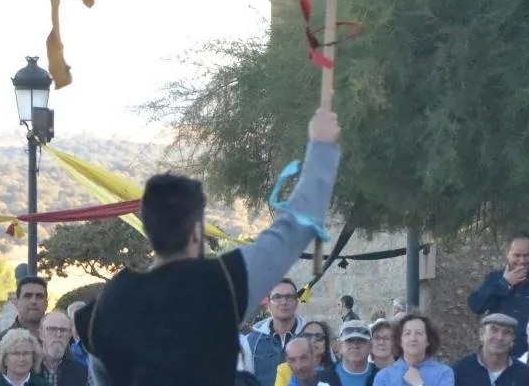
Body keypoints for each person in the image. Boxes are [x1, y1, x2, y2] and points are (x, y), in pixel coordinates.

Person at [75, 105, 342, 386]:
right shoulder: (222, 282)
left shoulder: (110, 303)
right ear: (196, 232)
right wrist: (322, 146)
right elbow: (296, 227)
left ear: (149, 230)